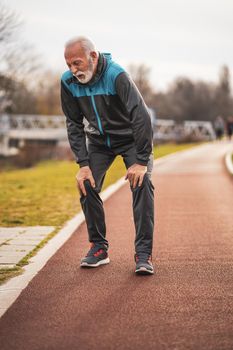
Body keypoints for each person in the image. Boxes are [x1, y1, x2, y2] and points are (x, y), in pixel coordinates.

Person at [61, 36, 155, 275]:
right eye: (68, 64)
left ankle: (143, 254)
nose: (73, 70)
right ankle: (99, 248)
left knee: (141, 183)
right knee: (85, 182)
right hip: (99, 142)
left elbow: (140, 115)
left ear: (93, 56)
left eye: (77, 63)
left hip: (131, 139)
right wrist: (83, 163)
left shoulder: (117, 75)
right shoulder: (68, 82)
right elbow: (73, 123)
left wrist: (142, 161)